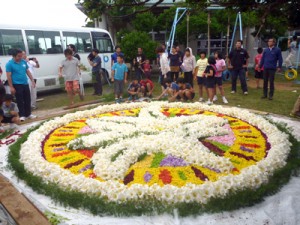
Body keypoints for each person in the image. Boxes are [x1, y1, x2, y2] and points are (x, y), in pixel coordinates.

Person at [6, 48, 36, 122]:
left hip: (25, 83)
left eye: (21, 56)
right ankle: (22, 115)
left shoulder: (23, 62)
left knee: (27, 99)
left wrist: (32, 80)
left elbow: (28, 71)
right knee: (20, 100)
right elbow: (8, 76)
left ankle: (28, 114)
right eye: (18, 56)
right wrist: (11, 87)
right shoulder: (9, 64)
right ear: (13, 56)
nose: (20, 57)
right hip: (17, 84)